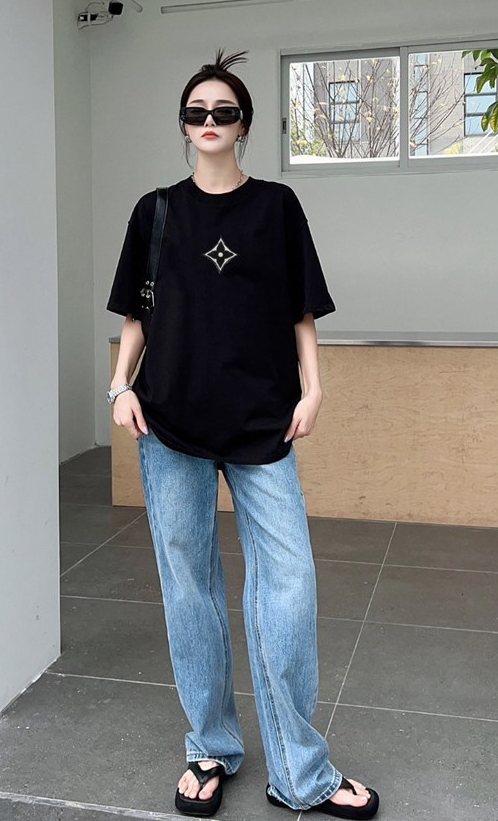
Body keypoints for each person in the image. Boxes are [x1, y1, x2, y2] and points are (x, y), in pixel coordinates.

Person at [106, 49, 380, 820]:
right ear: (183, 125)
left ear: (245, 124)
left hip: (263, 422)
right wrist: (120, 385)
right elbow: (138, 314)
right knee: (189, 589)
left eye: (223, 111)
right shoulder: (155, 211)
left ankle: (301, 772)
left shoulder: (277, 207)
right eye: (197, 112)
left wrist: (314, 388)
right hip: (169, 425)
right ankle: (210, 746)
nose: (210, 122)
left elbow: (301, 310)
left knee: (288, 584)